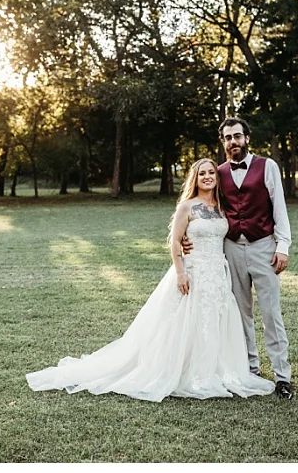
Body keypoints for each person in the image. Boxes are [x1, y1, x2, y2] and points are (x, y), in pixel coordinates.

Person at [26, 159, 277, 402]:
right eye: (202, 173)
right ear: (195, 178)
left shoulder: (222, 207)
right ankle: (185, 370)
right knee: (186, 322)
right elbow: (175, 241)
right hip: (192, 272)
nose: (207, 177)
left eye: (211, 172)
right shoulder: (187, 207)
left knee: (214, 320)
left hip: (217, 275)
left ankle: (216, 368)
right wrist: (181, 272)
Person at [184, 117, 296, 400]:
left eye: (237, 136)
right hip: (231, 248)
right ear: (222, 142)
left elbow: (279, 208)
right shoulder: (218, 172)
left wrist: (282, 246)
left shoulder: (267, 166)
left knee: (271, 313)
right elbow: (201, 205)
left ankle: (282, 377)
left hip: (263, 247)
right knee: (239, 313)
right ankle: (250, 370)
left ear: (247, 138)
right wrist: (187, 236)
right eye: (227, 137)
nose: (233, 141)